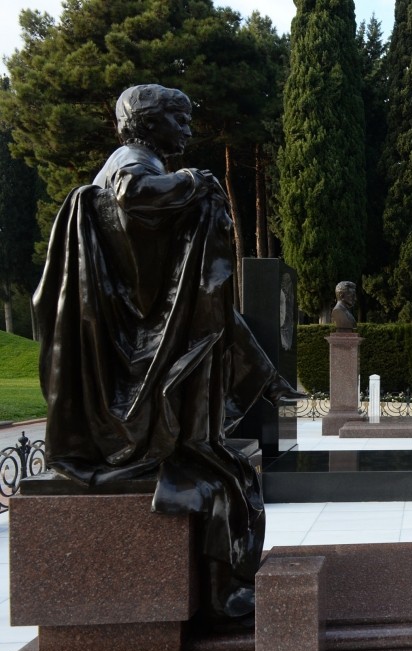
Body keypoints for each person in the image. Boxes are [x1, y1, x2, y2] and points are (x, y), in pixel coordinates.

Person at [33, 84, 303, 623]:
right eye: (178, 119)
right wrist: (190, 182)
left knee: (226, 469)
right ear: (149, 123)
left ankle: (224, 583)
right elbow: (138, 201)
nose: (188, 129)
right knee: (223, 473)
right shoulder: (131, 166)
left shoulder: (137, 164)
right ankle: (224, 589)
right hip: (142, 354)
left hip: (147, 343)